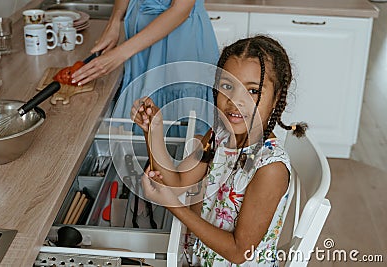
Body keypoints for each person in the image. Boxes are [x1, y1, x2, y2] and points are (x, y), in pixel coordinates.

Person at [131, 35, 308, 266]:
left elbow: (238, 252)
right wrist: (153, 132)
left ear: (276, 98)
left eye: (253, 91)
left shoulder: (270, 168)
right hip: (195, 255)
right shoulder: (219, 135)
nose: (235, 100)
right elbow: (177, 181)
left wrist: (173, 206)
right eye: (227, 86)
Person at [71, 0, 219, 136]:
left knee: (185, 134)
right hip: (141, 44)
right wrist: (114, 22)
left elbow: (180, 9)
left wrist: (120, 54)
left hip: (180, 41)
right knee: (145, 120)